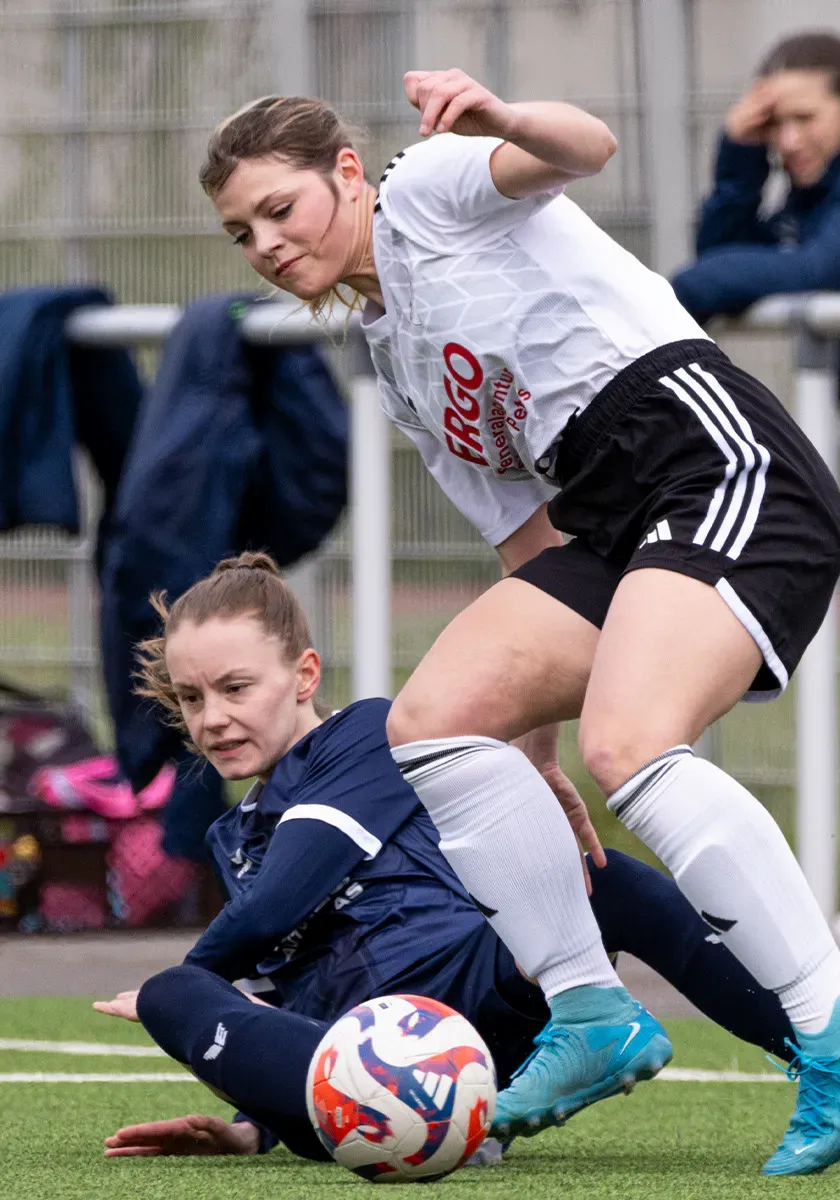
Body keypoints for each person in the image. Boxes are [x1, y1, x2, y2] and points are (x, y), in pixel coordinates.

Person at [199, 72, 840, 1175]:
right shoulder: (388, 353)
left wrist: (499, 117)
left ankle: (829, 1030)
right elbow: (525, 542)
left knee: (632, 745)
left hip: (713, 458)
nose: (265, 242)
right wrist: (520, 746)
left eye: (281, 209)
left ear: (346, 174)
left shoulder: (429, 186)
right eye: (239, 231)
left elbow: (586, 143)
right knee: (438, 718)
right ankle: (591, 1016)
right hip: (605, 517)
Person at [95, 552, 795, 1168]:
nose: (211, 717)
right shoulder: (232, 835)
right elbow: (284, 989)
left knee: (598, 876)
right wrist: (251, 1129)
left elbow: (279, 902)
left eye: (235, 688)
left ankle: (814, 1044)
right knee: (171, 996)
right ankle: (401, 1119)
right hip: (342, 1060)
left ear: (305, 675)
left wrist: (192, 979)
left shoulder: (369, 735)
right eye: (192, 698)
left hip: (470, 1003)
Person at [672, 30, 840, 323]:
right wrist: (741, 157)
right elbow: (722, 256)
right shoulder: (806, 200)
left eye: (805, 118)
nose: (788, 141)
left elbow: (821, 269)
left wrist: (686, 287)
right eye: (774, 124)